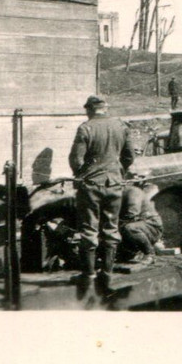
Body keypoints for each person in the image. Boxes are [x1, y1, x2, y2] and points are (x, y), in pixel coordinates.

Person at [68, 95, 134, 293]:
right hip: (114, 184)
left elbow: (76, 159)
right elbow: (129, 156)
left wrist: (82, 174)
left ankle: (88, 276)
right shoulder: (121, 126)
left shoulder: (85, 128)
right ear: (105, 108)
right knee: (111, 228)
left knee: (89, 229)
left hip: (91, 186)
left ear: (89, 109)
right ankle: (107, 275)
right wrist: (117, 171)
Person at [119, 184, 163, 266]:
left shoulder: (133, 192)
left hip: (150, 225)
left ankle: (149, 254)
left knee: (130, 228)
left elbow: (131, 214)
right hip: (135, 225)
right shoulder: (115, 194)